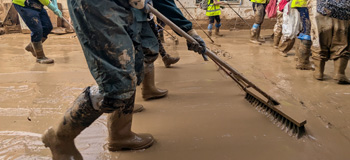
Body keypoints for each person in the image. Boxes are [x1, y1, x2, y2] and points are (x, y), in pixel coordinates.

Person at [41, 0, 206, 159]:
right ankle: (59, 137)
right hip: (96, 4)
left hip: (123, 7)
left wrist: (189, 30)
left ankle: (120, 135)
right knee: (116, 87)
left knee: (133, 69)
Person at [309, 0, 350, 84]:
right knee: (342, 42)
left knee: (319, 40)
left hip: (320, 8)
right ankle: (339, 73)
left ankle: (318, 72)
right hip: (343, 10)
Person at [292, 0, 313, 70]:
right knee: (308, 31)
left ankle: (298, 56)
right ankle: (303, 62)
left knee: (304, 29)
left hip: (301, 3)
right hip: (305, 4)